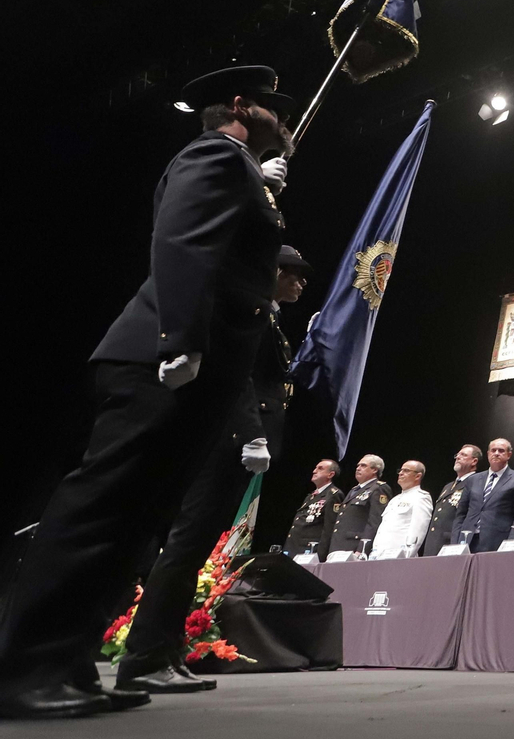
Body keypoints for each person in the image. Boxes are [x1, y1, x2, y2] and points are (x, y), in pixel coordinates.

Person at [0, 65, 294, 721]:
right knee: (101, 509)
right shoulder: (215, 153)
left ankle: (65, 660)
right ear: (242, 105)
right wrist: (179, 339)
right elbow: (183, 240)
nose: (285, 116)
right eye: (275, 107)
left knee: (136, 525)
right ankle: (24, 667)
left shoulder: (240, 165)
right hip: (163, 358)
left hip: (195, 366)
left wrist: (259, 186)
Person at [116, 244, 312, 695]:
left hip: (237, 442)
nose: (300, 284)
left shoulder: (272, 320)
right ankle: (144, 655)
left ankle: (164, 652)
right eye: (294, 275)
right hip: (229, 441)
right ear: (272, 271)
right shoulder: (250, 312)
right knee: (186, 547)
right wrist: (251, 433)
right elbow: (237, 375)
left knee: (196, 552)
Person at [451, 438, 514, 552]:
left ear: (509, 455)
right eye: (493, 450)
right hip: (468, 539)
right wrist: (455, 541)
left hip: (496, 541)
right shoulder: (473, 479)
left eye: (501, 451)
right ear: (488, 454)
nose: (496, 453)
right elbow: (461, 513)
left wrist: (512, 540)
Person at [421, 445, 481, 556]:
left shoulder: (476, 483)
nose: (458, 457)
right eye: (457, 455)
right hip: (434, 542)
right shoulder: (448, 486)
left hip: (451, 542)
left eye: (463, 455)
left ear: (474, 461)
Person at [327, 455, 393, 557]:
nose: (358, 468)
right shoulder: (354, 490)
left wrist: (362, 549)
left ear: (374, 470)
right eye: (358, 465)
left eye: (363, 465)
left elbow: (375, 522)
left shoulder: (378, 488)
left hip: (355, 547)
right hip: (339, 546)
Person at [368, 461, 433, 559]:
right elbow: (383, 529)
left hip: (399, 556)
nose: (401, 473)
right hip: (380, 555)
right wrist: (374, 553)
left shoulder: (421, 497)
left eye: (406, 470)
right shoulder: (394, 500)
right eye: (400, 470)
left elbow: (418, 529)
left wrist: (407, 555)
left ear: (417, 476)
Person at [285, 459, 344, 559]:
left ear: (330, 474)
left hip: (309, 550)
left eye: (320, 468)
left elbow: (329, 528)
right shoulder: (311, 496)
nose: (314, 471)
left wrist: (320, 556)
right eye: (315, 468)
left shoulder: (334, 495)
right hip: (294, 547)